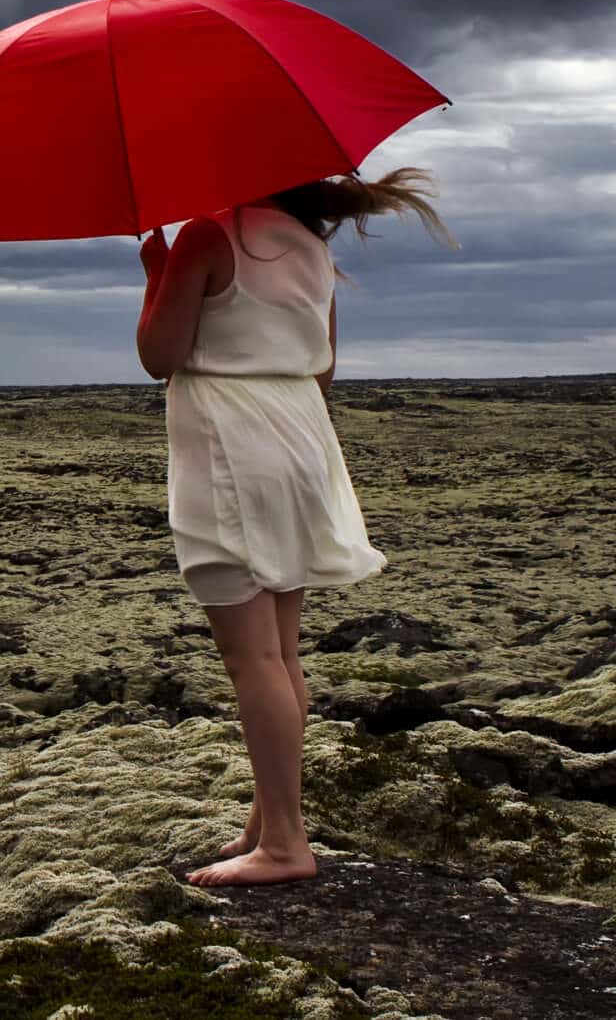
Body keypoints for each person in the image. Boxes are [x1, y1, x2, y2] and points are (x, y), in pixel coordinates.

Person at [133, 167, 456, 887]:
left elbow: (160, 355)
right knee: (279, 651)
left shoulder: (207, 235)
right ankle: (266, 821)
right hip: (301, 439)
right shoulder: (311, 246)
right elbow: (325, 369)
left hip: (231, 444)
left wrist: (158, 274)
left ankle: (284, 842)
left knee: (253, 659)